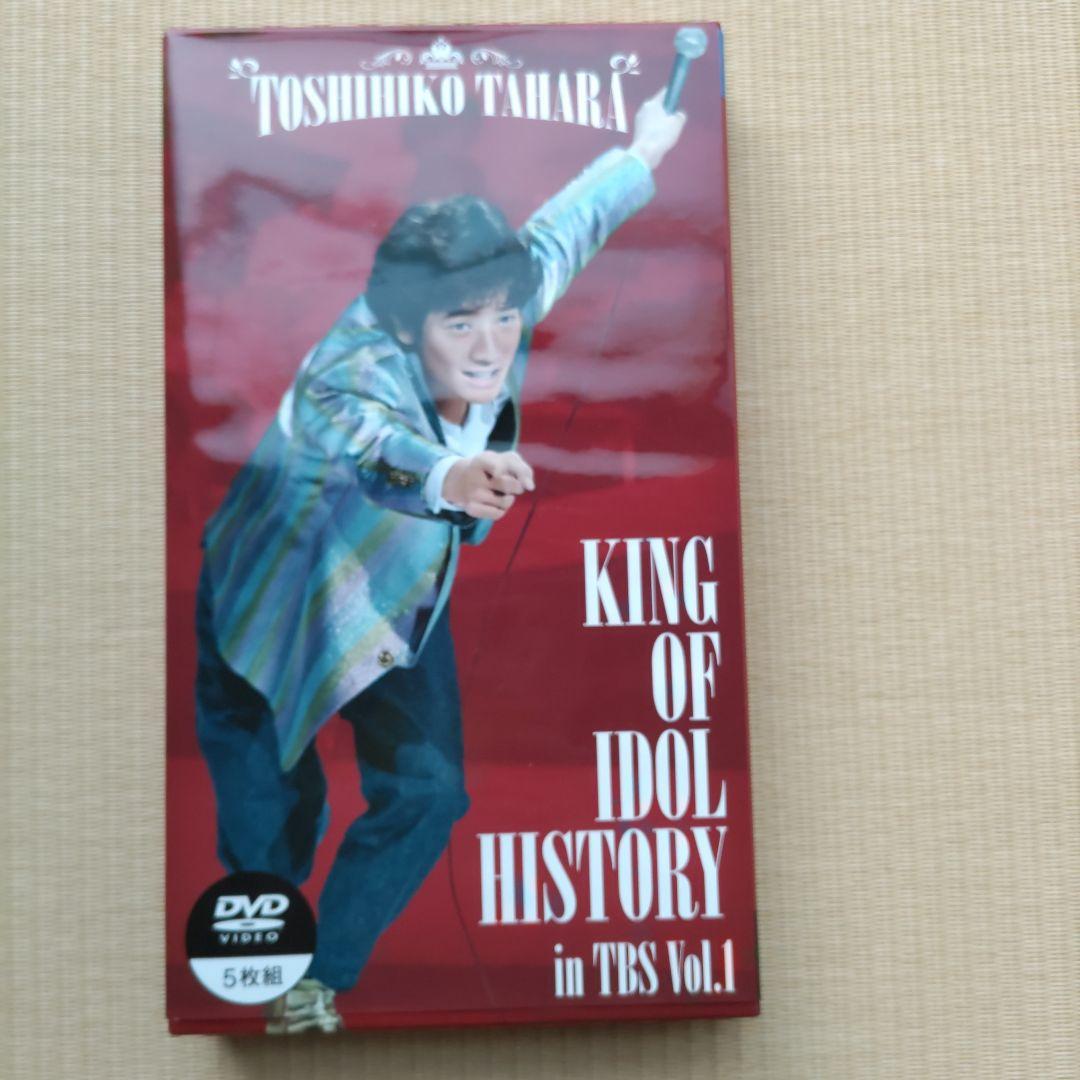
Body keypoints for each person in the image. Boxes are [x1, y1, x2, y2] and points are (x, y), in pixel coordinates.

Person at [194, 88, 686, 1034]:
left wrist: (643, 151)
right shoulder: (348, 372)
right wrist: (453, 475)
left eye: (505, 319)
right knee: (272, 828)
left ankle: (317, 980)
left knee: (429, 793)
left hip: (391, 592)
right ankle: (264, 956)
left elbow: (567, 227)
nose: (491, 347)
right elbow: (377, 448)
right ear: (407, 325)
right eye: (461, 326)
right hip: (271, 600)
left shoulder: (498, 295)